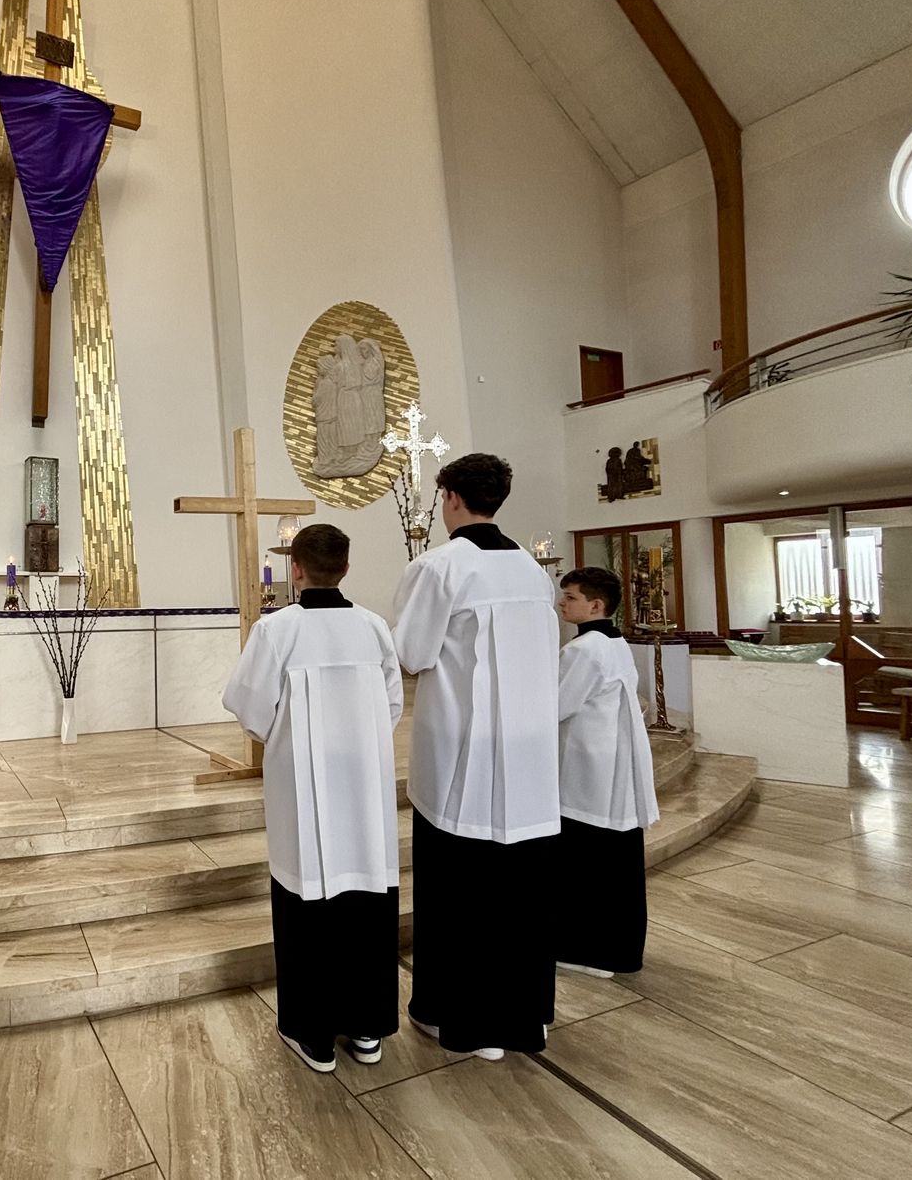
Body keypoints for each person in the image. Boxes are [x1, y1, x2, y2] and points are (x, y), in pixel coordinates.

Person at [391, 453, 560, 1060]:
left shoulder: (440, 567)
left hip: (464, 756)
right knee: (522, 893)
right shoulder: (533, 572)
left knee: (461, 891)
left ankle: (462, 1020)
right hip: (531, 758)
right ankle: (522, 1018)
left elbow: (411, 653)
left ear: (452, 498)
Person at [222, 523, 404, 1073]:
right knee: (365, 896)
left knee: (306, 897)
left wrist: (289, 741)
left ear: (294, 569)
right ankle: (367, 1029)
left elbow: (249, 707)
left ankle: (314, 1036)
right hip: (364, 787)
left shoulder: (276, 630)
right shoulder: (373, 627)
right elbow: (392, 704)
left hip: (301, 786)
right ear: (345, 568)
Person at [554, 567, 658, 978]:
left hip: (590, 770)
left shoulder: (585, 650)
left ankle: (588, 953)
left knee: (587, 864)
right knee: (615, 865)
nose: (562, 603)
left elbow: (556, 704)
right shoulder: (613, 643)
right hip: (610, 764)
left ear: (596, 605)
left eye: (571, 597)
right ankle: (617, 951)